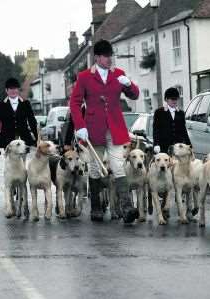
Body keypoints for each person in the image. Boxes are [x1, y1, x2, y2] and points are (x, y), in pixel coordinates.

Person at [69, 39, 140, 223]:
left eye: (111, 56)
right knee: (94, 168)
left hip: (115, 127)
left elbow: (135, 95)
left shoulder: (118, 74)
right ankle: (96, 207)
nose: (110, 60)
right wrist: (80, 126)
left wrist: (129, 83)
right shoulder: (84, 76)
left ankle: (126, 208)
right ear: (97, 57)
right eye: (106, 57)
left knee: (117, 165)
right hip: (93, 128)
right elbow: (75, 103)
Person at [0, 77, 38, 149]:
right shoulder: (1, 105)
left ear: (18, 90)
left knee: (24, 160)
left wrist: (36, 137)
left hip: (24, 139)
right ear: (6, 90)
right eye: (11, 89)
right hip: (6, 140)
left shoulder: (26, 104)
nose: (13, 91)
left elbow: (32, 121)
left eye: (15, 88)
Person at [153, 87, 191, 154]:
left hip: (178, 148)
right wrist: (156, 144)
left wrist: (189, 145)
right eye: (172, 99)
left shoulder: (181, 113)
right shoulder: (159, 112)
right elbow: (156, 130)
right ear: (166, 99)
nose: (174, 101)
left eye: (176, 99)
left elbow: (184, 131)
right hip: (164, 147)